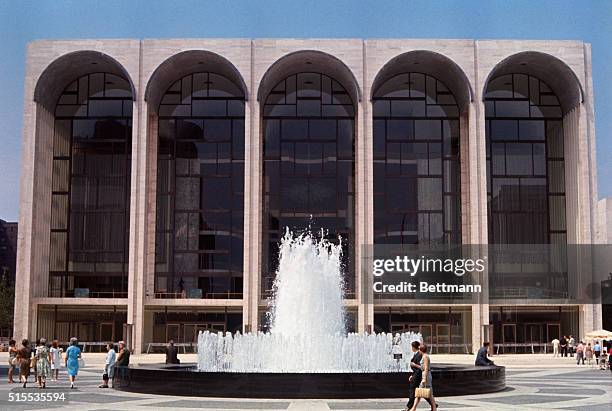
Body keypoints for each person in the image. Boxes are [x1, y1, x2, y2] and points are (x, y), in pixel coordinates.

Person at [404, 341, 434, 411]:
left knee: (418, 393)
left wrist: (423, 379)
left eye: (412, 347)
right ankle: (433, 406)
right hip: (419, 376)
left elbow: (424, 368)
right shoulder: (420, 355)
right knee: (423, 393)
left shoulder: (423, 356)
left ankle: (410, 408)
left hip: (420, 377)